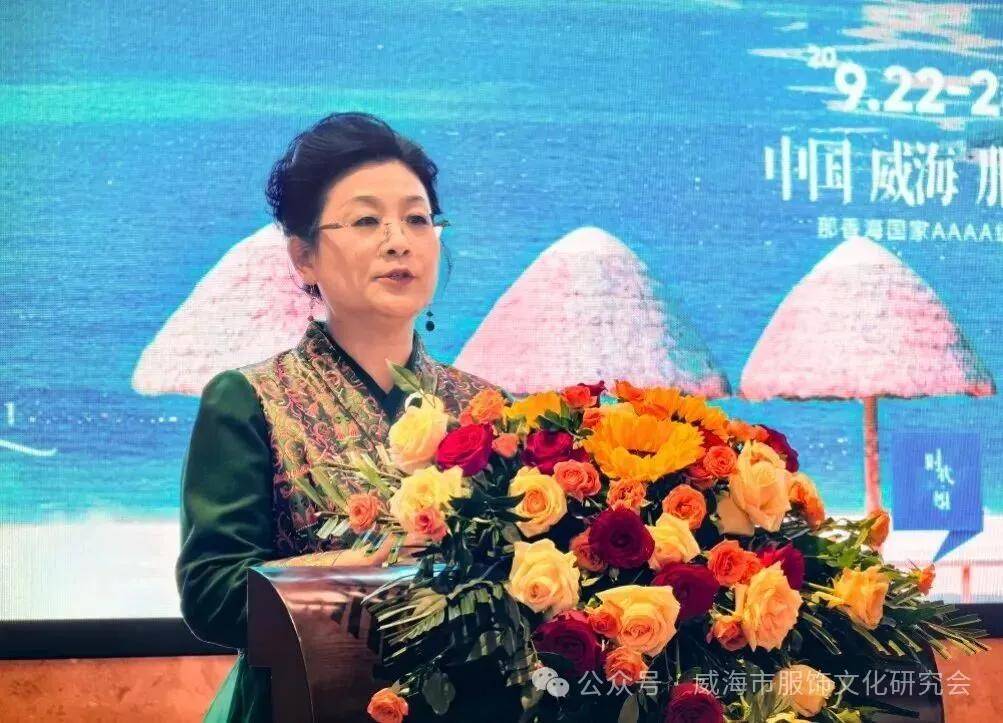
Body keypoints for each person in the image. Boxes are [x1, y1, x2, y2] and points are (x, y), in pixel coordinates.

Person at [176, 112, 518, 722]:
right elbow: (212, 594)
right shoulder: (251, 399)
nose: (398, 240)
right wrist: (348, 574)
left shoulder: (489, 410)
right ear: (304, 257)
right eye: (366, 221)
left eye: (417, 219)